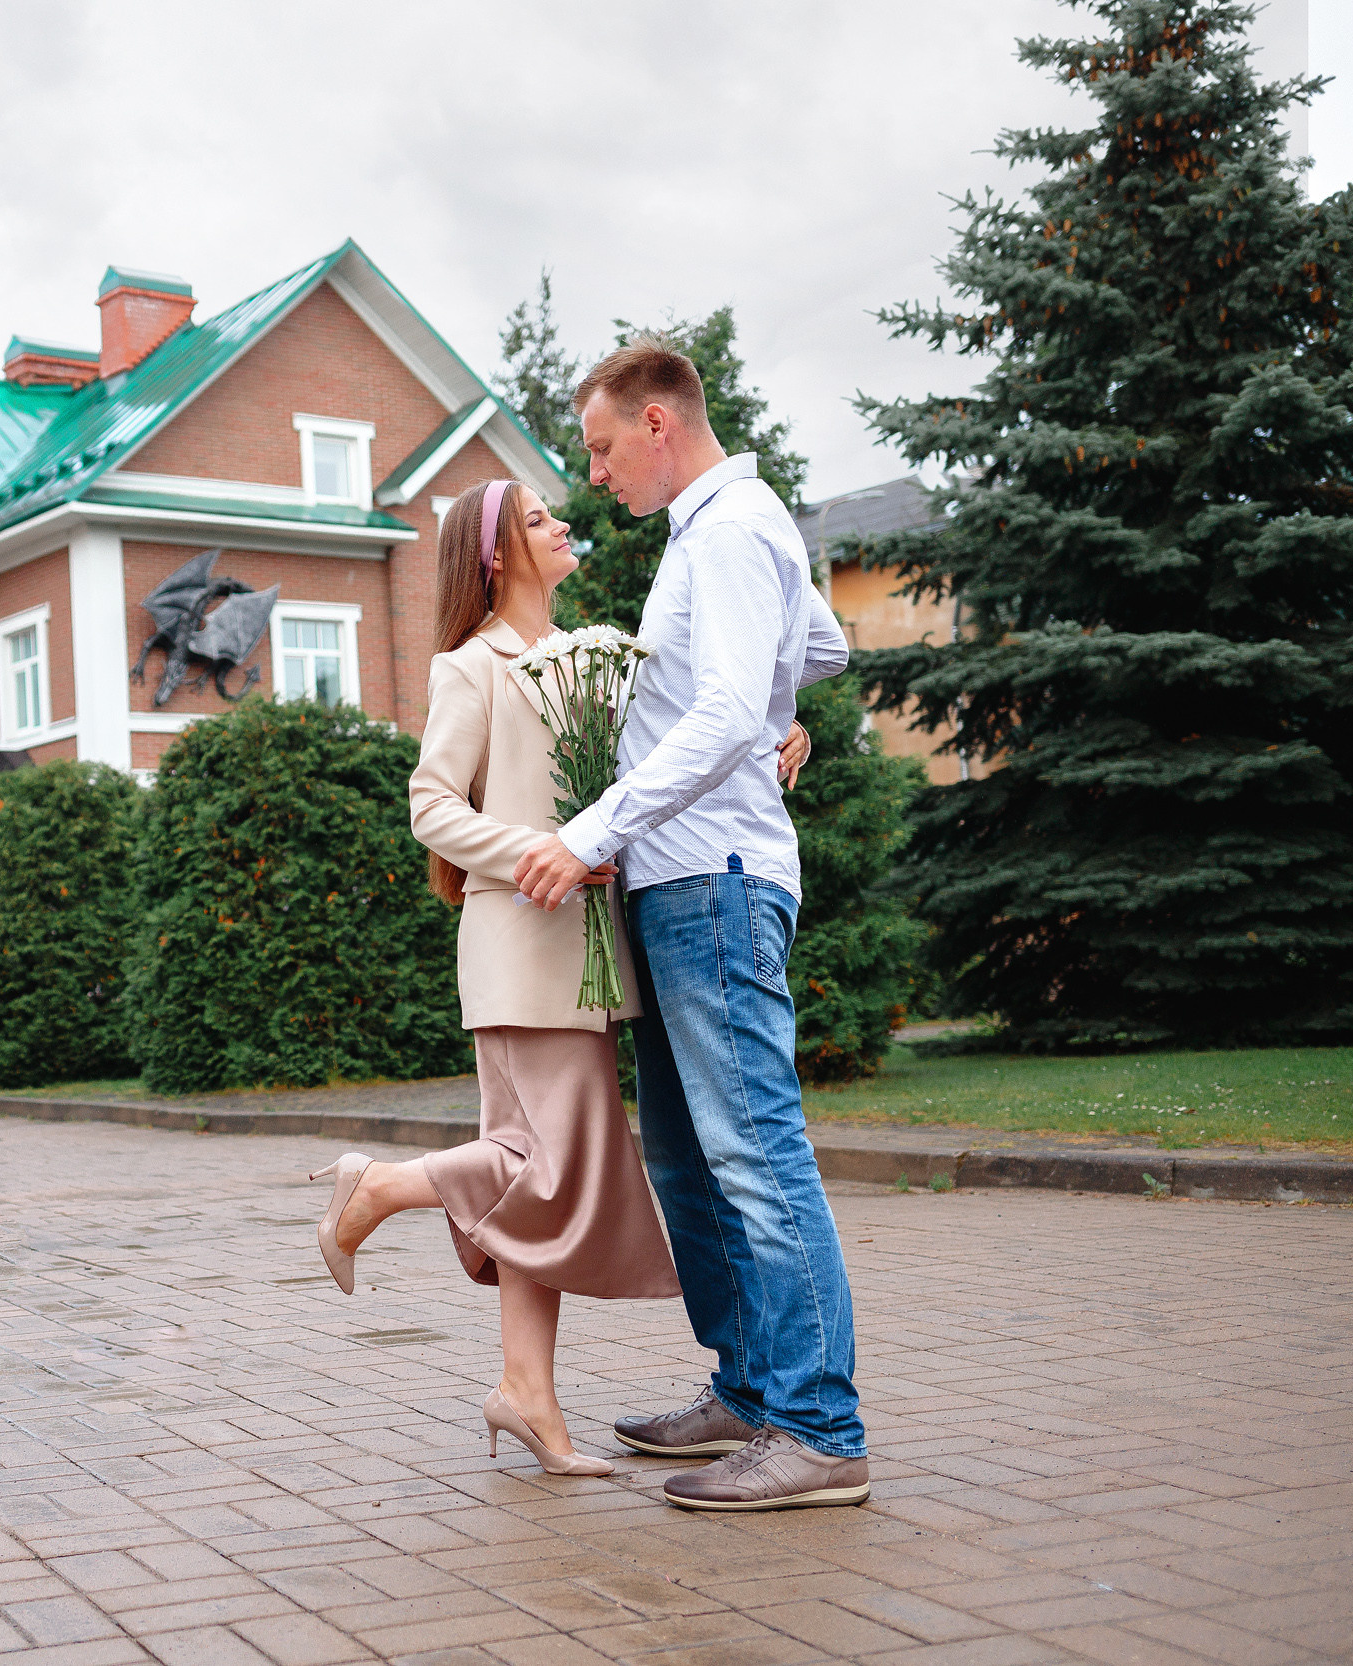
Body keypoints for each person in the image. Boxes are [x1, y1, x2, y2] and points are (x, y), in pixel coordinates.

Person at [511, 337, 869, 1511]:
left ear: (658, 422)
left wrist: (591, 831)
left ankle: (816, 1427)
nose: (598, 475)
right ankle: (754, 1392)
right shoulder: (717, 532)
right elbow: (821, 644)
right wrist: (778, 714)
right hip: (680, 879)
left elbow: (722, 703)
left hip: (710, 876)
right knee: (685, 1152)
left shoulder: (724, 528)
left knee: (754, 1152)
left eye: (606, 448)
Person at [308, 476, 677, 1478]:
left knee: (537, 1177)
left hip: (588, 956)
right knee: (549, 1169)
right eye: (539, 520)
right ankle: (377, 1186)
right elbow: (431, 807)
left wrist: (769, 734)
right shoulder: (471, 667)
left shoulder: (588, 661)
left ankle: (526, 1392)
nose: (563, 526)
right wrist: (540, 849)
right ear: (495, 555)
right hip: (518, 943)